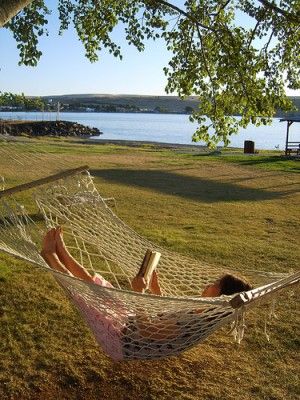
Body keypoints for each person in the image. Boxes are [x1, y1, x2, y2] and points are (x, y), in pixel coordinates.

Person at [41, 227, 253, 359]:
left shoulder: (194, 323)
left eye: (216, 283)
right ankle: (61, 251)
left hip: (122, 338)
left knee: (89, 291)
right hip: (128, 323)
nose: (210, 283)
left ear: (221, 296)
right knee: (98, 286)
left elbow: (148, 330)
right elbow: (160, 317)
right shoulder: (199, 312)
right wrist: (154, 290)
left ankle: (51, 256)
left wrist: (138, 293)